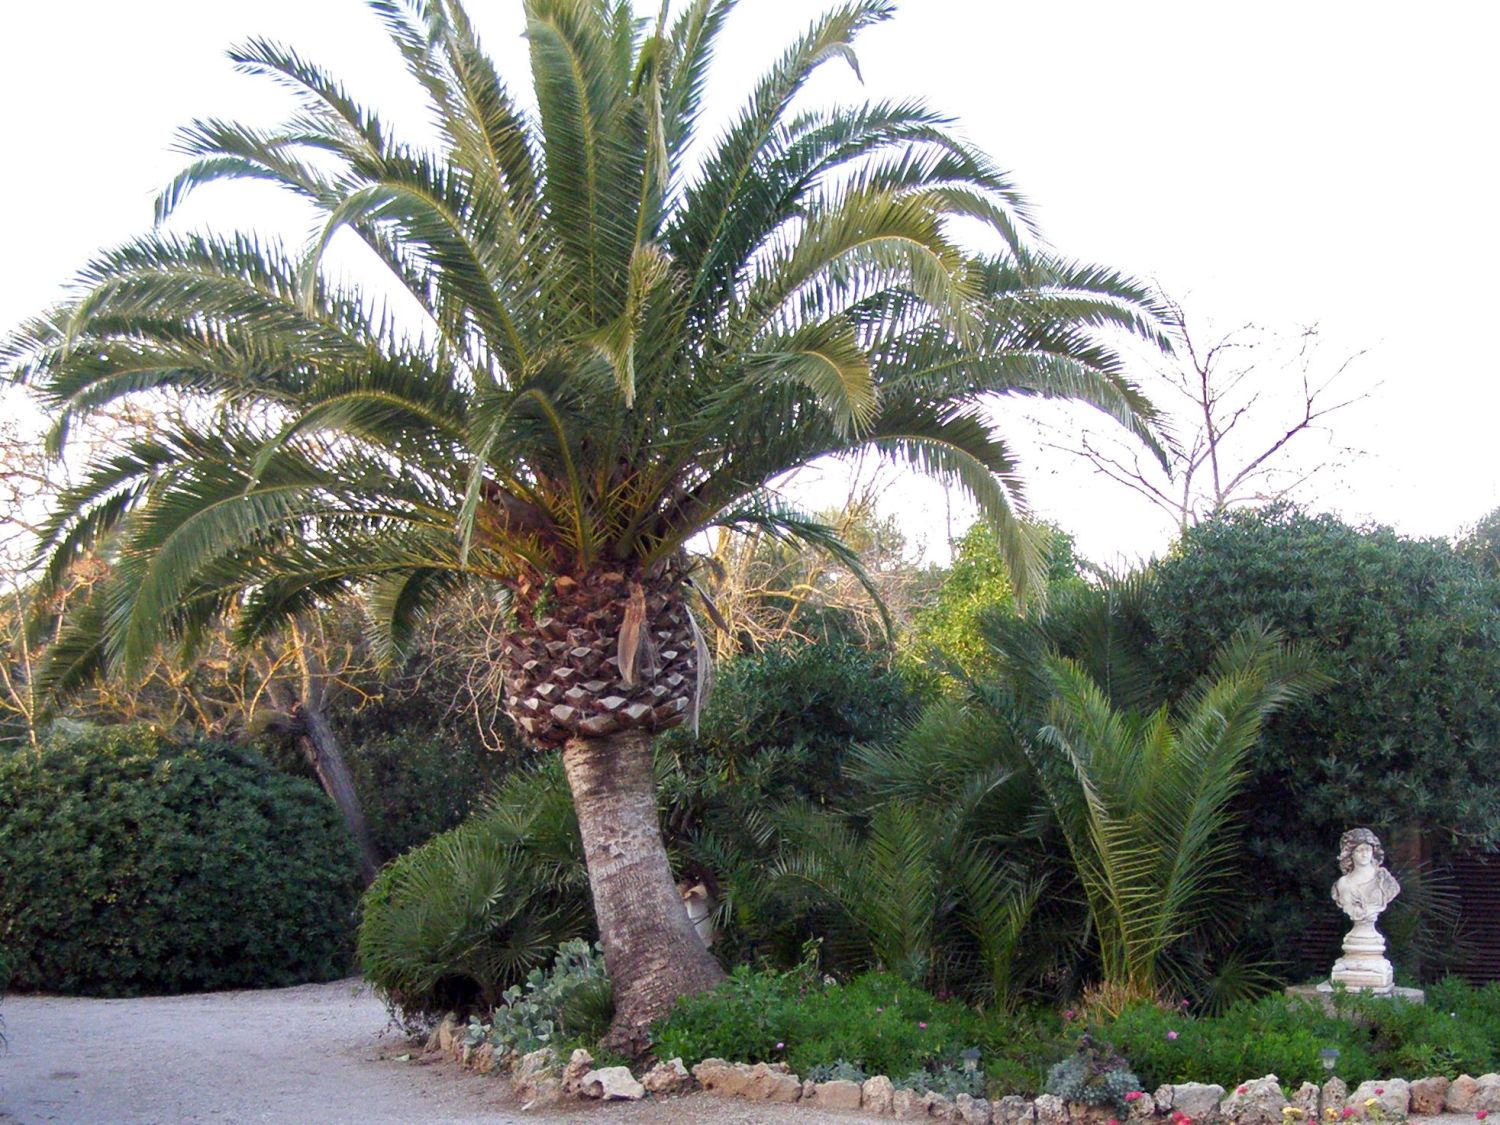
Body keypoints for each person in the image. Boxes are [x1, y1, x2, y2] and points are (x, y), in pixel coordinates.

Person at [1331, 827, 1400, 923]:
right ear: (1351, 854)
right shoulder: (1343, 883)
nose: (1364, 854)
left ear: (1373, 851)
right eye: (1359, 850)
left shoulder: (1384, 879)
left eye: (1368, 850)